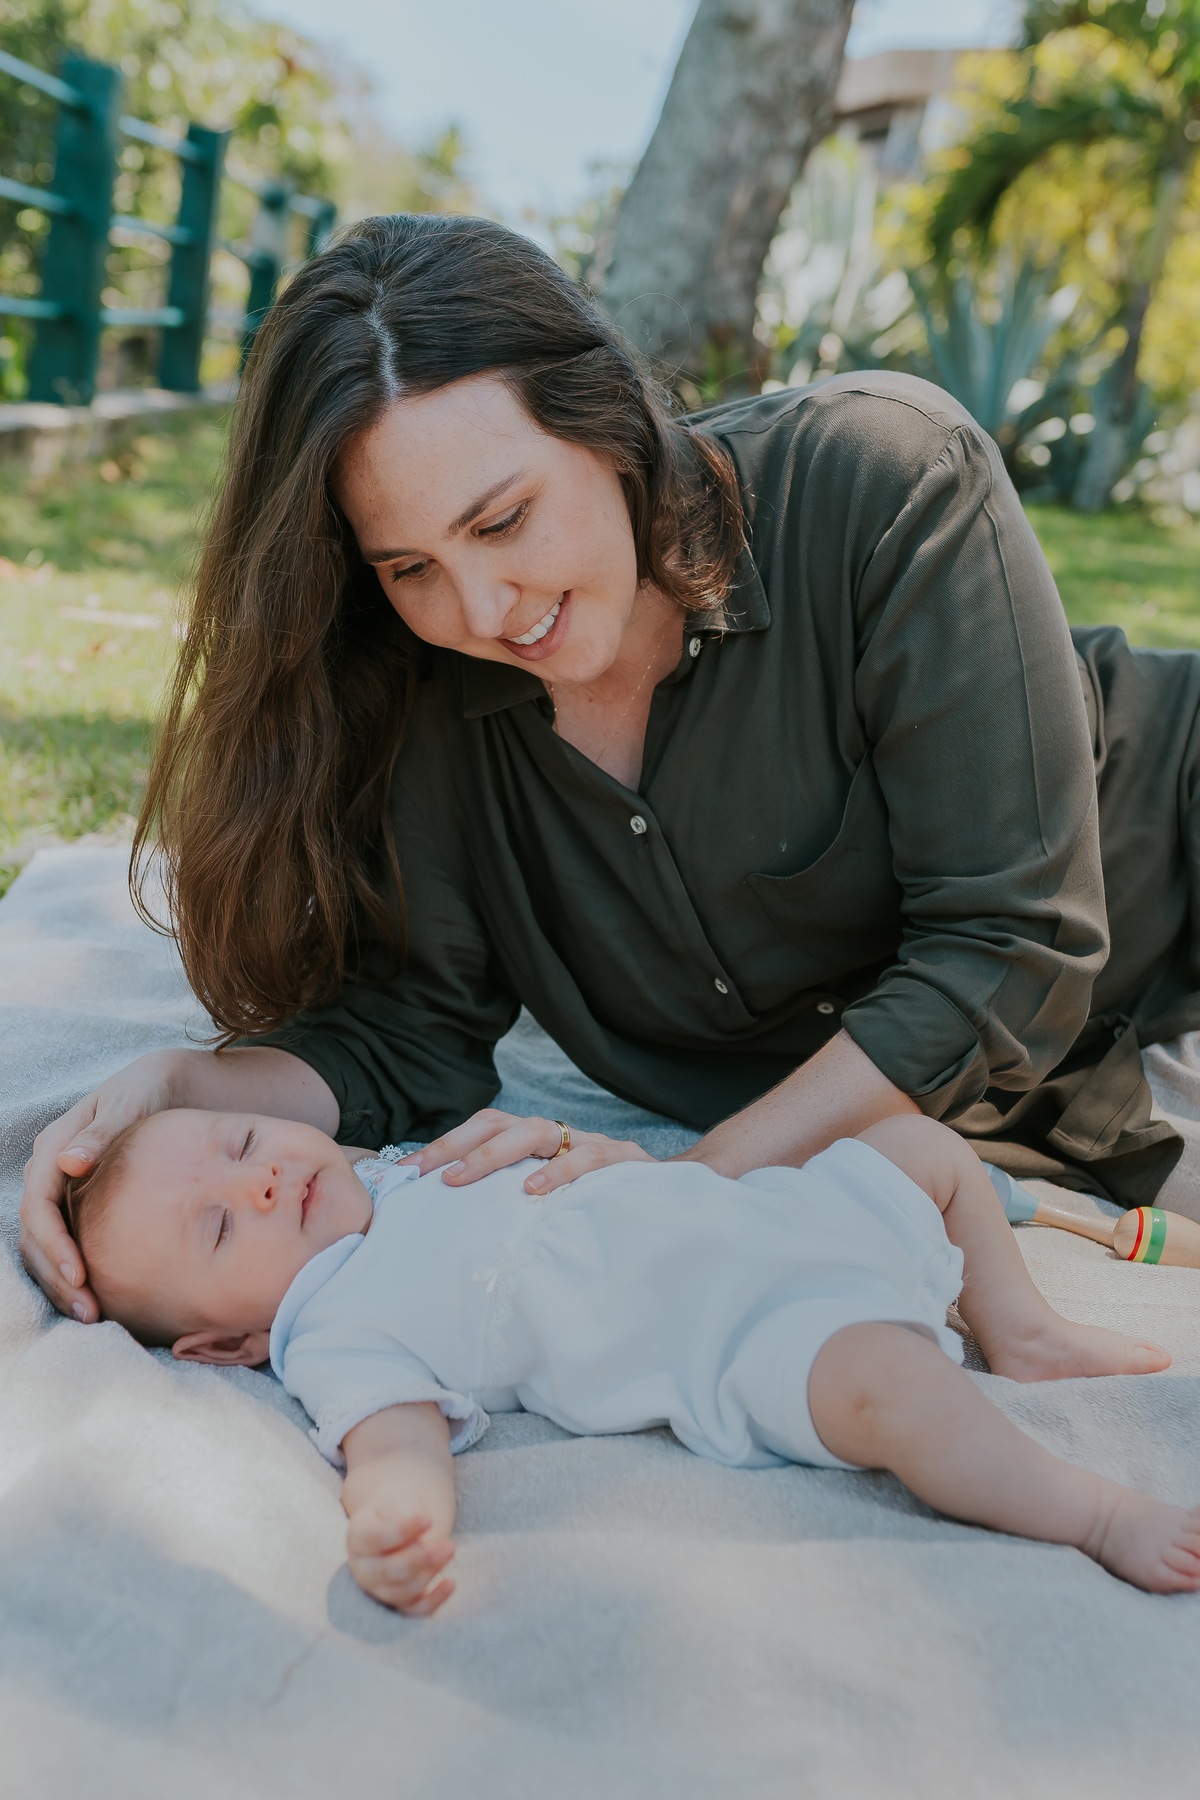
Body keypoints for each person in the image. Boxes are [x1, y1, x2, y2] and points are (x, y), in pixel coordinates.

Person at [20, 213, 1200, 1325]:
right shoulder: (427, 687)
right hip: (1023, 1097)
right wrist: (176, 1088)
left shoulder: (883, 476)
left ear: (606, 418)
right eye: (409, 566)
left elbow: (1008, 948)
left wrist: (683, 1183)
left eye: (501, 520)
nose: (483, 607)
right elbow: (409, 1036)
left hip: (1163, 839)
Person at [61, 1106, 1196, 1613]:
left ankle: (1023, 1329)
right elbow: (392, 1431)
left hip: (786, 1217)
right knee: (900, 1395)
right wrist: (399, 1516)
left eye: (242, 1142)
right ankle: (1093, 1513)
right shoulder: (333, 1326)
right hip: (751, 1338)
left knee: (921, 1145)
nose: (257, 1181)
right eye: (220, 1228)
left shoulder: (394, 1172)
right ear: (227, 1345)